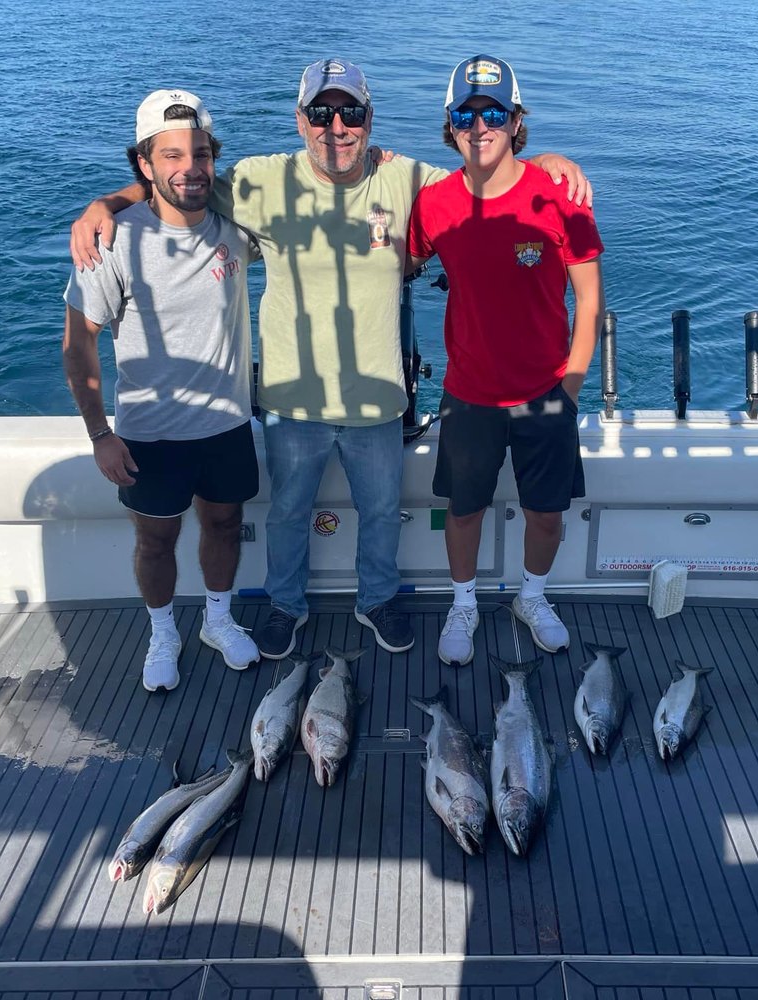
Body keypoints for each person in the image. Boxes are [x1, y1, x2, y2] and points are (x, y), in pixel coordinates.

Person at [70, 59, 590, 661]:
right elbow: (177, 179)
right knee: (289, 513)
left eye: (351, 113)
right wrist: (105, 203)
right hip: (292, 397)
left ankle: (376, 601)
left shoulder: (406, 180)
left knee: (379, 513)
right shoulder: (259, 181)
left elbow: (485, 171)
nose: (335, 126)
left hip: (377, 394)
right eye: (321, 112)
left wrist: (551, 163)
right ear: (300, 120)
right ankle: (286, 606)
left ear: (369, 121)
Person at [407, 56, 605, 666]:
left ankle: (533, 595)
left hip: (546, 390)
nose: (479, 125)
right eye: (465, 114)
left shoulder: (559, 194)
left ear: (517, 122)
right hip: (469, 391)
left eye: (493, 112)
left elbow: (590, 298)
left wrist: (569, 387)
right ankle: (463, 603)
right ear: (449, 126)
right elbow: (397, 263)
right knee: (461, 512)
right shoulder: (434, 203)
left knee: (546, 517)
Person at [63, 89, 261, 691]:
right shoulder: (112, 241)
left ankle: (218, 620)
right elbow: (79, 343)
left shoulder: (236, 226)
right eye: (170, 156)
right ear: (144, 164)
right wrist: (100, 433)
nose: (189, 168)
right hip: (150, 432)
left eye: (200, 153)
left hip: (228, 423)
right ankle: (163, 630)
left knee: (225, 525)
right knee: (157, 539)